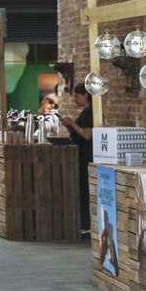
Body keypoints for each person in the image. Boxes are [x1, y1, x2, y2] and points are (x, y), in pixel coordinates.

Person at [62, 83, 95, 234]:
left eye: (77, 96)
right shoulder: (85, 112)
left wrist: (72, 124)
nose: (75, 99)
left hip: (86, 156)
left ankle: (86, 225)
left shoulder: (89, 113)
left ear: (86, 95)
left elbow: (87, 135)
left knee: (84, 190)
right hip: (81, 156)